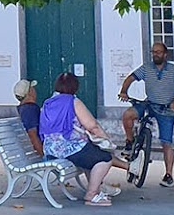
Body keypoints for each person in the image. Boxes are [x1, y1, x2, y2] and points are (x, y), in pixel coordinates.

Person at [38, 72, 130, 206]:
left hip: (50, 149)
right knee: (105, 158)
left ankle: (98, 188)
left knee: (90, 155)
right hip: (69, 148)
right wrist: (107, 140)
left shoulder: (48, 103)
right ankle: (91, 195)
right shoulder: (73, 102)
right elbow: (92, 126)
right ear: (75, 87)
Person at [119, 41, 174, 188]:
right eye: (153, 52)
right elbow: (131, 78)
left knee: (166, 143)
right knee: (128, 115)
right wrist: (124, 90)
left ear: (165, 54)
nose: (155, 54)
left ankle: (168, 175)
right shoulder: (146, 68)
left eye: (158, 52)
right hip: (149, 104)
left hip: (166, 108)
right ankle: (130, 141)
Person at [13, 79, 42, 155]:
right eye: (32, 88)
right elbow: (32, 134)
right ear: (29, 92)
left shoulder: (23, 109)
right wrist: (42, 155)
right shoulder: (30, 109)